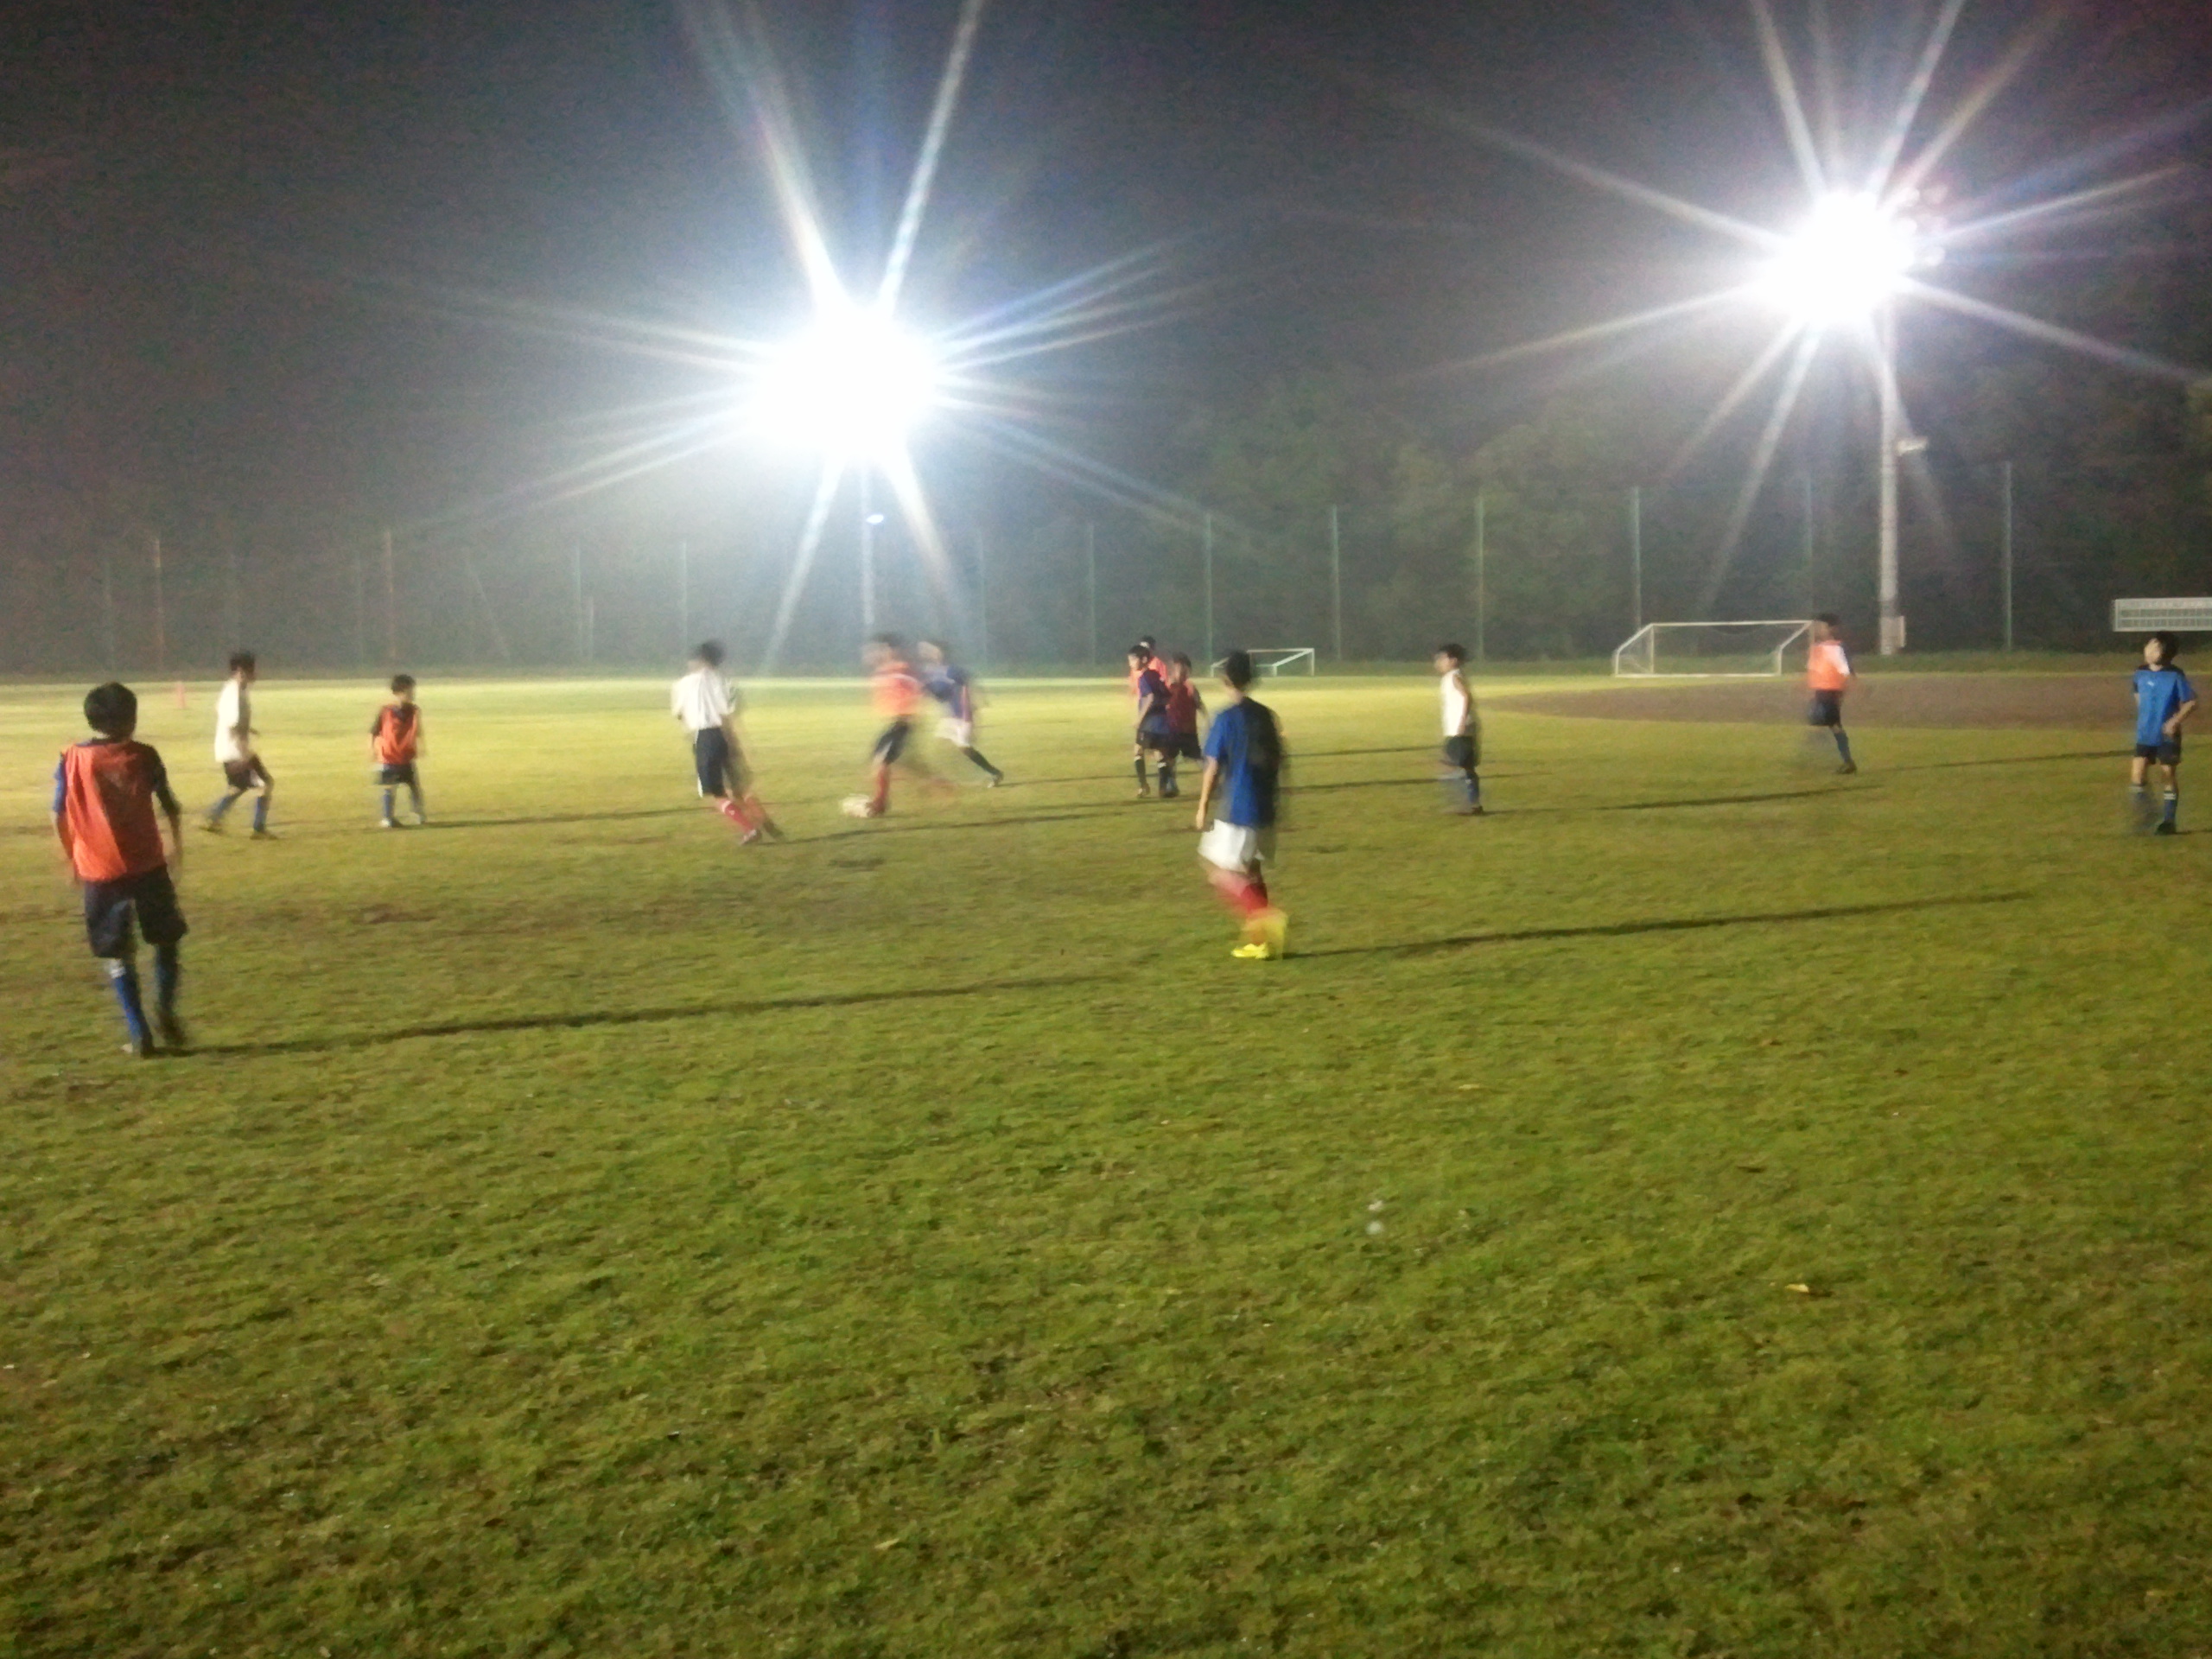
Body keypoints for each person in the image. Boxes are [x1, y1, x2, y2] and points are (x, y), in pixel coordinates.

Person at [53, 682, 190, 1057]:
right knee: (165, 940)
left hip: (99, 869)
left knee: (116, 951)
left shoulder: (71, 758)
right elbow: (170, 805)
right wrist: (177, 847)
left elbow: (58, 814)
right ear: (131, 718)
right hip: (147, 863)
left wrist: (70, 858)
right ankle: (165, 1009)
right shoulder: (144, 755)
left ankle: (138, 1031)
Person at [1194, 649, 1287, 960]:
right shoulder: (1266, 716)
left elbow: (1213, 767)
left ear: (1225, 679)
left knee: (1216, 870)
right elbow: (1277, 761)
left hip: (1238, 808)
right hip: (1264, 805)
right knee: (1252, 871)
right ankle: (1262, 943)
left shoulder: (1226, 719)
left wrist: (1202, 806)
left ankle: (1266, 916)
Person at [671, 641, 779, 843]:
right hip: (725, 735)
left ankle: (750, 830)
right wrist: (736, 742)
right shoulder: (723, 681)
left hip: (704, 737)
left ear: (700, 659)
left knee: (718, 793)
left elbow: (679, 713)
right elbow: (728, 713)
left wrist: (689, 727)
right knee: (739, 787)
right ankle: (765, 821)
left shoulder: (684, 683)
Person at [851, 633, 938, 818]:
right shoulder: (884, 670)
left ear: (891, 650)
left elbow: (917, 690)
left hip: (902, 723)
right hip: (893, 723)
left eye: (881, 649)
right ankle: (935, 782)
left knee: (882, 762)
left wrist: (912, 713)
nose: (875, 653)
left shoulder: (902, 669)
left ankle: (880, 803)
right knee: (889, 762)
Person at [2130, 632, 2196, 835]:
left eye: (2155, 647)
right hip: (2145, 734)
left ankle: (2168, 821)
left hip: (2167, 735)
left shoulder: (2175, 675)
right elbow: (2138, 694)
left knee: (2167, 775)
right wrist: (2145, 717)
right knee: (2137, 776)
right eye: (2149, 645)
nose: (2149, 650)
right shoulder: (2140, 672)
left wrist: (2175, 721)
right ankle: (2149, 812)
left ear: (2165, 652)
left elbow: (2191, 701)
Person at [204, 651, 275, 836]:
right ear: (242, 671)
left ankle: (213, 817)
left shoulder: (234, 689)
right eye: (253, 669)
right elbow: (233, 726)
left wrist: (248, 729)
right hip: (234, 750)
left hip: (227, 749)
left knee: (239, 786)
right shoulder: (235, 693)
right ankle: (258, 829)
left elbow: (222, 712)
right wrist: (244, 753)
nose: (256, 673)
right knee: (264, 784)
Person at [916, 639, 1004, 785]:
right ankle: (950, 778)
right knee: (943, 747)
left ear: (943, 652)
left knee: (963, 747)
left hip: (962, 715)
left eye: (935, 651)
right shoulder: (930, 672)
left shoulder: (953, 670)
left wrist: (973, 708)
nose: (932, 654)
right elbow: (936, 693)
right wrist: (924, 692)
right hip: (949, 716)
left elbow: (968, 685)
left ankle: (993, 773)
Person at [369, 673, 429, 828]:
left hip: (406, 756)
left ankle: (418, 814)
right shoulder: (385, 712)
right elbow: (374, 732)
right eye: (409, 691)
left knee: (414, 787)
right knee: (389, 788)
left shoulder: (414, 710)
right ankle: (387, 818)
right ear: (398, 692)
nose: (412, 694)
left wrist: (421, 745)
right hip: (389, 756)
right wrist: (372, 750)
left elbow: (418, 729)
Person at [1434, 643, 1484, 815]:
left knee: (1460, 767)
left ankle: (1469, 805)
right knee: (1459, 766)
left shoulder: (1454, 676)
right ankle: (1470, 804)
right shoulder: (1451, 677)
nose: (1439, 662)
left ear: (1453, 660)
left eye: (1443, 658)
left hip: (1461, 729)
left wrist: (1462, 721)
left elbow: (1467, 696)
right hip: (1456, 729)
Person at [1805, 614, 1857, 775]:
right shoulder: (1817, 648)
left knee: (1833, 725)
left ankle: (1848, 762)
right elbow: (1814, 670)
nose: (1818, 629)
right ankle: (1845, 760)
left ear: (1832, 628)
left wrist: (1849, 688)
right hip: (1821, 692)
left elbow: (1846, 671)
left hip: (1831, 691)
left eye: (1822, 626)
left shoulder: (1835, 648)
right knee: (1825, 723)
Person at [1157, 652, 1207, 799]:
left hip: (1188, 730)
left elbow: (1199, 704)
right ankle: (1172, 785)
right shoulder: (1167, 686)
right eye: (1181, 670)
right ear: (1173, 670)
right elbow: (1161, 705)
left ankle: (1215, 779)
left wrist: (1207, 720)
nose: (1184, 674)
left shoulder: (1190, 688)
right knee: (1170, 758)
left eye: (1186, 671)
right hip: (1171, 730)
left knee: (1198, 758)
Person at [1129, 645, 1173, 797]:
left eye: (1133, 660)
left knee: (1138, 751)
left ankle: (1143, 787)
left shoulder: (1144, 678)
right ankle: (1162, 789)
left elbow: (1150, 697)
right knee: (1160, 754)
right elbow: (1168, 696)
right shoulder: (1156, 675)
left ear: (1143, 659)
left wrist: (1139, 719)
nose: (1130, 663)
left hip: (1149, 723)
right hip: (1162, 722)